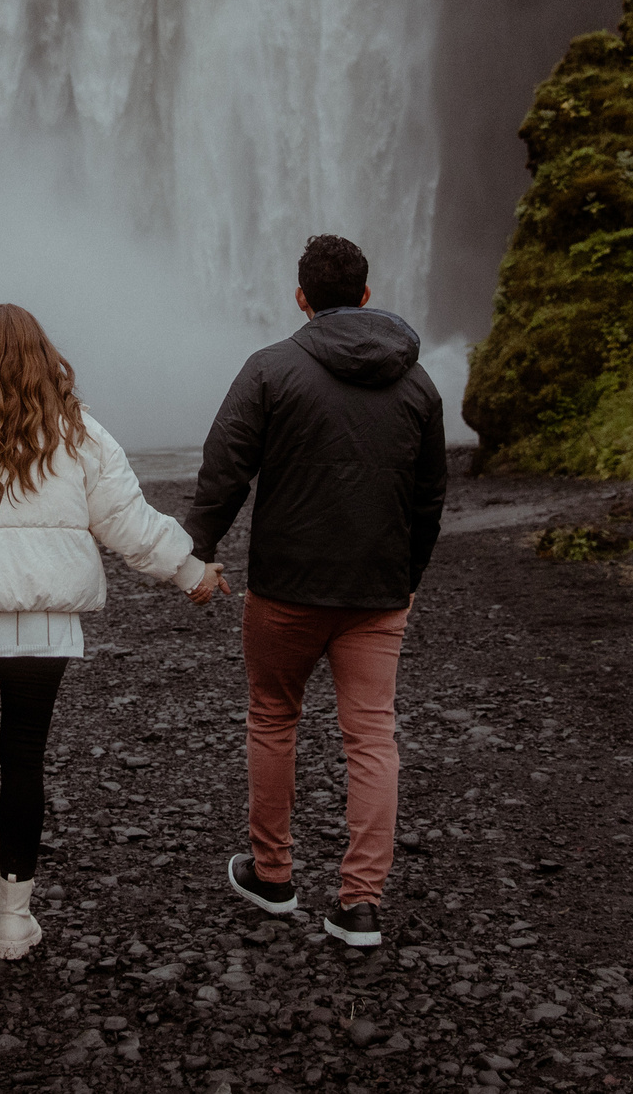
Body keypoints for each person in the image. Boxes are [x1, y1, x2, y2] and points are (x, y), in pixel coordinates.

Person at [0, 303, 224, 960]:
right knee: (23, 759)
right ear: (44, 360)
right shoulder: (79, 433)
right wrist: (190, 570)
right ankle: (14, 923)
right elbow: (129, 522)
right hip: (45, 629)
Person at [185, 234, 446, 949]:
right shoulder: (418, 383)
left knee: (273, 715)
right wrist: (408, 580)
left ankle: (272, 876)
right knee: (372, 734)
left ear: (301, 297)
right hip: (378, 594)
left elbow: (225, 468)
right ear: (366, 295)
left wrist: (195, 553)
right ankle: (360, 903)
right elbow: (430, 501)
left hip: (287, 589)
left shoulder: (270, 369)